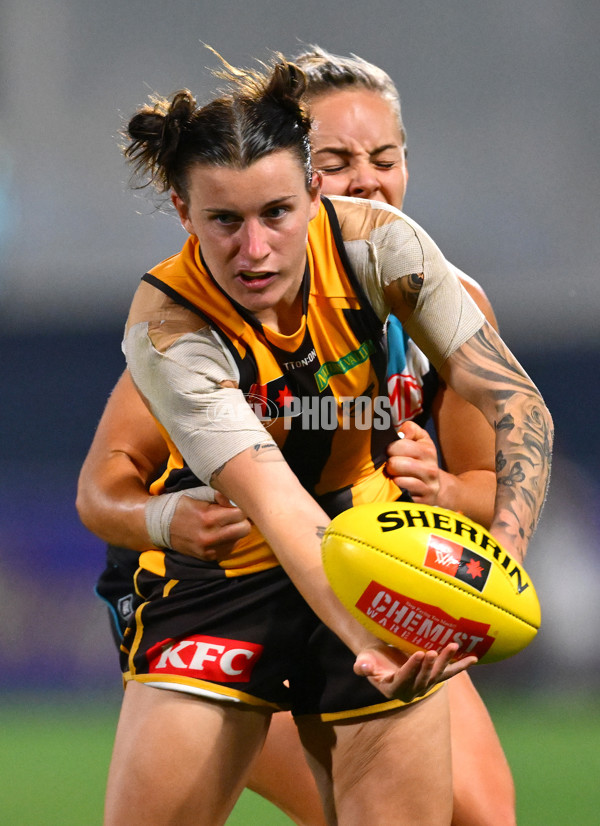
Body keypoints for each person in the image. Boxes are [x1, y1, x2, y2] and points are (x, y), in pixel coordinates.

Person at [88, 53, 552, 826]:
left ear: (308, 195)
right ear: (182, 213)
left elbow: (518, 411)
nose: (255, 248)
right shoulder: (169, 328)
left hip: (367, 543)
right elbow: (275, 508)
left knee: (480, 813)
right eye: (224, 221)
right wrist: (165, 523)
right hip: (226, 577)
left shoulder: (390, 255)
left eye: (275, 212)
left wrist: (491, 571)